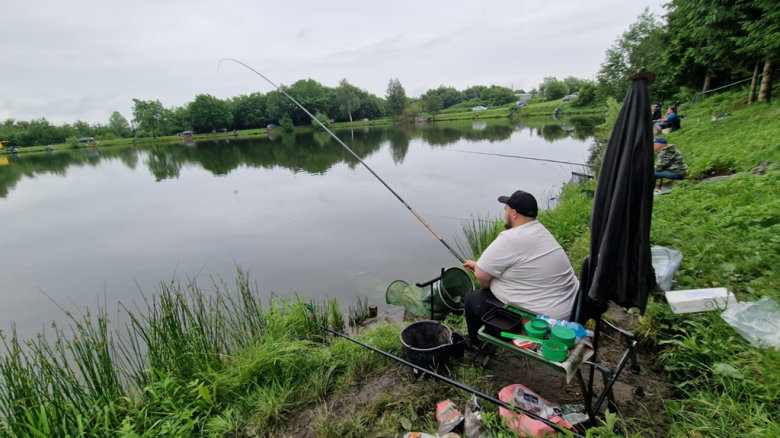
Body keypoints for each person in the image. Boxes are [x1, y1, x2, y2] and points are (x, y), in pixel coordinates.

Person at [461, 191, 579, 346]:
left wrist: (484, 277)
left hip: (543, 323)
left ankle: (477, 344)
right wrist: (479, 266)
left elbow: (482, 279)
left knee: (473, 300)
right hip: (571, 310)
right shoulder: (541, 232)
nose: (505, 214)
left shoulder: (510, 238)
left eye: (506, 210)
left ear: (514, 214)